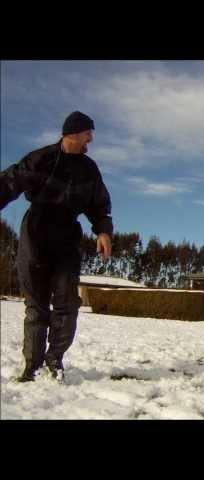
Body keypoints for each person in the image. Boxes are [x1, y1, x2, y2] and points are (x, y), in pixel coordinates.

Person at [0, 111, 113, 382]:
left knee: (66, 304)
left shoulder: (89, 168)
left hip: (67, 238)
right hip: (36, 232)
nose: (91, 139)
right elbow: (8, 182)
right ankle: (32, 367)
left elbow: (99, 204)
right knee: (36, 306)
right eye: (88, 133)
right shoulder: (41, 159)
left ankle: (54, 360)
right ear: (73, 133)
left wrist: (103, 231)